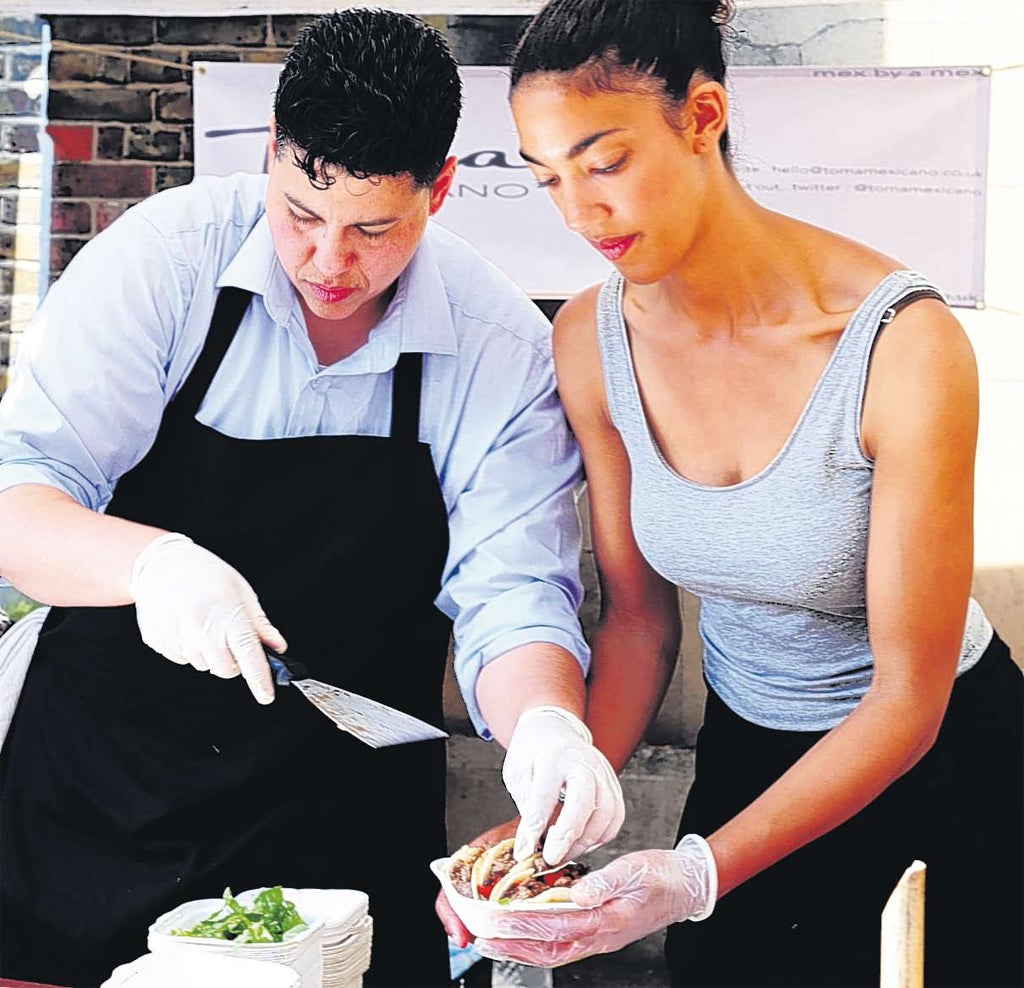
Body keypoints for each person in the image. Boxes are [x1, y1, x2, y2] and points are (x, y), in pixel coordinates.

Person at [0, 10, 626, 987]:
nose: (328, 264)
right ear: (270, 160)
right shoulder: (163, 263)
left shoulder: (498, 347)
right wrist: (150, 564)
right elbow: (17, 497)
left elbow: (514, 599)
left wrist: (547, 725)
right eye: (299, 214)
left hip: (340, 818)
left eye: (373, 228)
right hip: (107, 793)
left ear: (442, 190)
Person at [463, 2, 1024, 987]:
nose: (578, 213)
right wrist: (555, 809)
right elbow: (638, 622)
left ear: (701, 116)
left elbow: (908, 698)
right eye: (547, 177)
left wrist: (695, 869)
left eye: (603, 163)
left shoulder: (902, 346)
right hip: (751, 741)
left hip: (944, 754)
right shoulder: (590, 345)